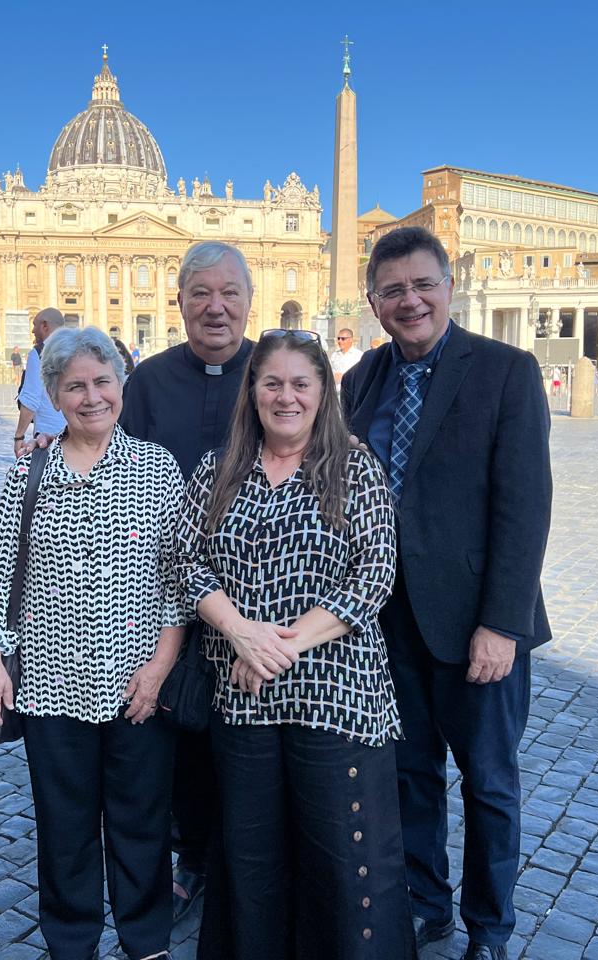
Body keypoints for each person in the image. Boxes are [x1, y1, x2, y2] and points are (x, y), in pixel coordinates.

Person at [341, 227, 552, 960]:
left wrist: (502, 623)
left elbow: (524, 508)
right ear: (374, 301)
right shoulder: (361, 379)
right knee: (409, 773)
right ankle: (426, 903)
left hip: (475, 623)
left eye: (423, 284)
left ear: (448, 286)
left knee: (489, 782)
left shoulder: (506, 370)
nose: (411, 300)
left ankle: (490, 928)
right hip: (387, 620)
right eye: (393, 290)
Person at [175, 329, 414, 960]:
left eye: (300, 384)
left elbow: (374, 575)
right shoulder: (218, 469)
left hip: (337, 696)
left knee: (344, 862)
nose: (286, 397)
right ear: (251, 392)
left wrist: (276, 648)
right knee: (253, 863)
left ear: (321, 391)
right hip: (243, 699)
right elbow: (187, 561)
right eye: (272, 383)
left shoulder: (353, 466)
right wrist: (239, 633)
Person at [0, 327, 185, 960]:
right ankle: (71, 942)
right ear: (56, 396)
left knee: (142, 824)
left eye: (102, 382)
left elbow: (180, 584)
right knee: (64, 828)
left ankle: (146, 940)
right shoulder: (30, 470)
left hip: (136, 684)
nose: (91, 397)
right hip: (48, 683)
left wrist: (160, 668)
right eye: (75, 387)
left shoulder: (157, 467)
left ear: (121, 385)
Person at [119, 240, 256, 930]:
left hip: (256, 595)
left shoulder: (274, 373)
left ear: (249, 302)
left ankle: (248, 859)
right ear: (179, 302)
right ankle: (190, 856)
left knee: (248, 734)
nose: (216, 307)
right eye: (201, 293)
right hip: (164, 592)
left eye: (229, 292)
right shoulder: (147, 383)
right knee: (178, 733)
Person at [14, 309, 68, 457]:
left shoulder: (39, 353)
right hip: (75, 436)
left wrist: (19, 436)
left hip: (46, 436)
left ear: (45, 326)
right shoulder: (76, 349)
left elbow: (31, 398)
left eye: (35, 325)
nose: (33, 330)